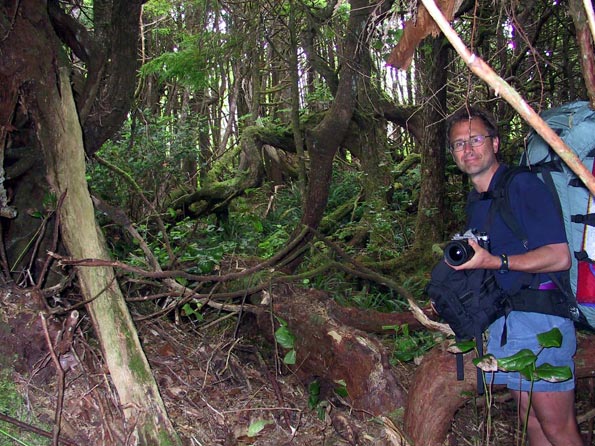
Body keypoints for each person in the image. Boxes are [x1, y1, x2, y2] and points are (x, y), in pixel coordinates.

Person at [445, 106, 583, 446]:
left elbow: (559, 256)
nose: (468, 149)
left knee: (557, 427)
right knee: (531, 421)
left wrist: (496, 261)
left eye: (476, 139)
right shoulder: (477, 199)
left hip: (541, 317)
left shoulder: (522, 186)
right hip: (509, 320)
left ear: (495, 143)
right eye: (459, 144)